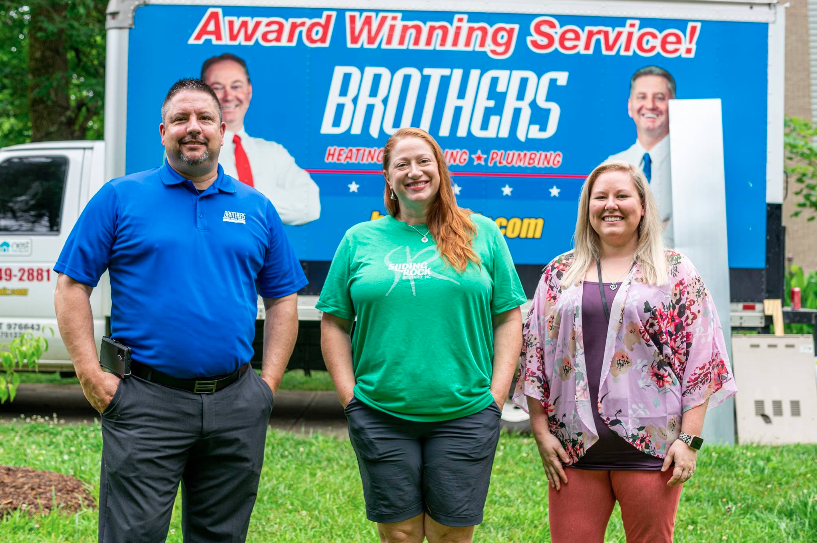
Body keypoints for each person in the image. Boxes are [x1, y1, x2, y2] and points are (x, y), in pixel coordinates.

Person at [53, 78, 307, 542]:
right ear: (163, 131)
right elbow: (72, 283)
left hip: (236, 404)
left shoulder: (256, 208)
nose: (193, 128)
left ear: (223, 129)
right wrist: (91, 374)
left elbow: (282, 297)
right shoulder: (120, 197)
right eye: (181, 119)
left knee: (221, 536)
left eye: (204, 119)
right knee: (133, 535)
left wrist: (266, 385)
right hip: (146, 401)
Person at [317, 127, 526, 543]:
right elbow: (335, 322)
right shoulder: (360, 239)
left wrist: (495, 398)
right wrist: (350, 398)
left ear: (441, 170)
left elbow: (508, 317)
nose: (415, 172)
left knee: (451, 534)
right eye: (402, 164)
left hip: (466, 412)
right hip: (380, 412)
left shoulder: (480, 232)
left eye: (424, 161)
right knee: (400, 533)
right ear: (388, 178)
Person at [514, 161, 737, 543]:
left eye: (622, 195)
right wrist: (539, 430)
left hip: (652, 448)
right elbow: (535, 355)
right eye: (600, 197)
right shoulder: (559, 274)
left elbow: (702, 360)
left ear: (643, 206)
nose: (610, 205)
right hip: (575, 448)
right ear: (588, 207)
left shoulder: (675, 271)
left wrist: (689, 440)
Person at [201, 53, 320, 225]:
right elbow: (208, 205)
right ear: (203, 93)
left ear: (249, 91)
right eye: (218, 87)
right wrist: (267, 200)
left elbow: (310, 206)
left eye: (236, 86)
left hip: (263, 252)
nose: (228, 96)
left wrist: (244, 197)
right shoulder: (192, 148)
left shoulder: (272, 152)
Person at [607, 66, 675, 247]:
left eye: (659, 97)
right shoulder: (612, 165)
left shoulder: (690, 163)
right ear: (630, 106)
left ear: (673, 105)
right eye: (642, 97)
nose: (650, 105)